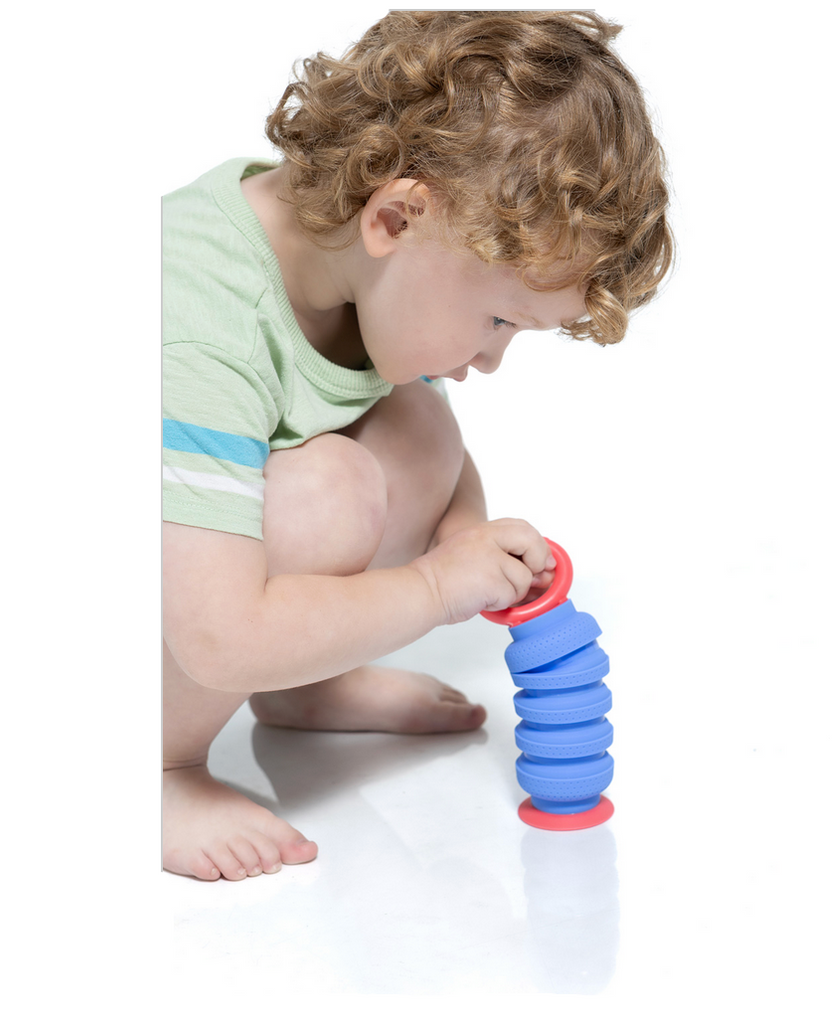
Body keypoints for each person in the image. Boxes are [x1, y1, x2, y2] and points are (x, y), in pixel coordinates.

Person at [162, 9, 673, 881]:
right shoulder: (200, 315)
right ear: (396, 219)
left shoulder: (367, 275)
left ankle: (300, 683)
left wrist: (463, 537)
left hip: (184, 555)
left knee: (415, 428)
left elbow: (438, 465)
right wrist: (434, 589)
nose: (493, 357)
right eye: (500, 318)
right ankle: (151, 762)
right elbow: (214, 637)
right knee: (328, 495)